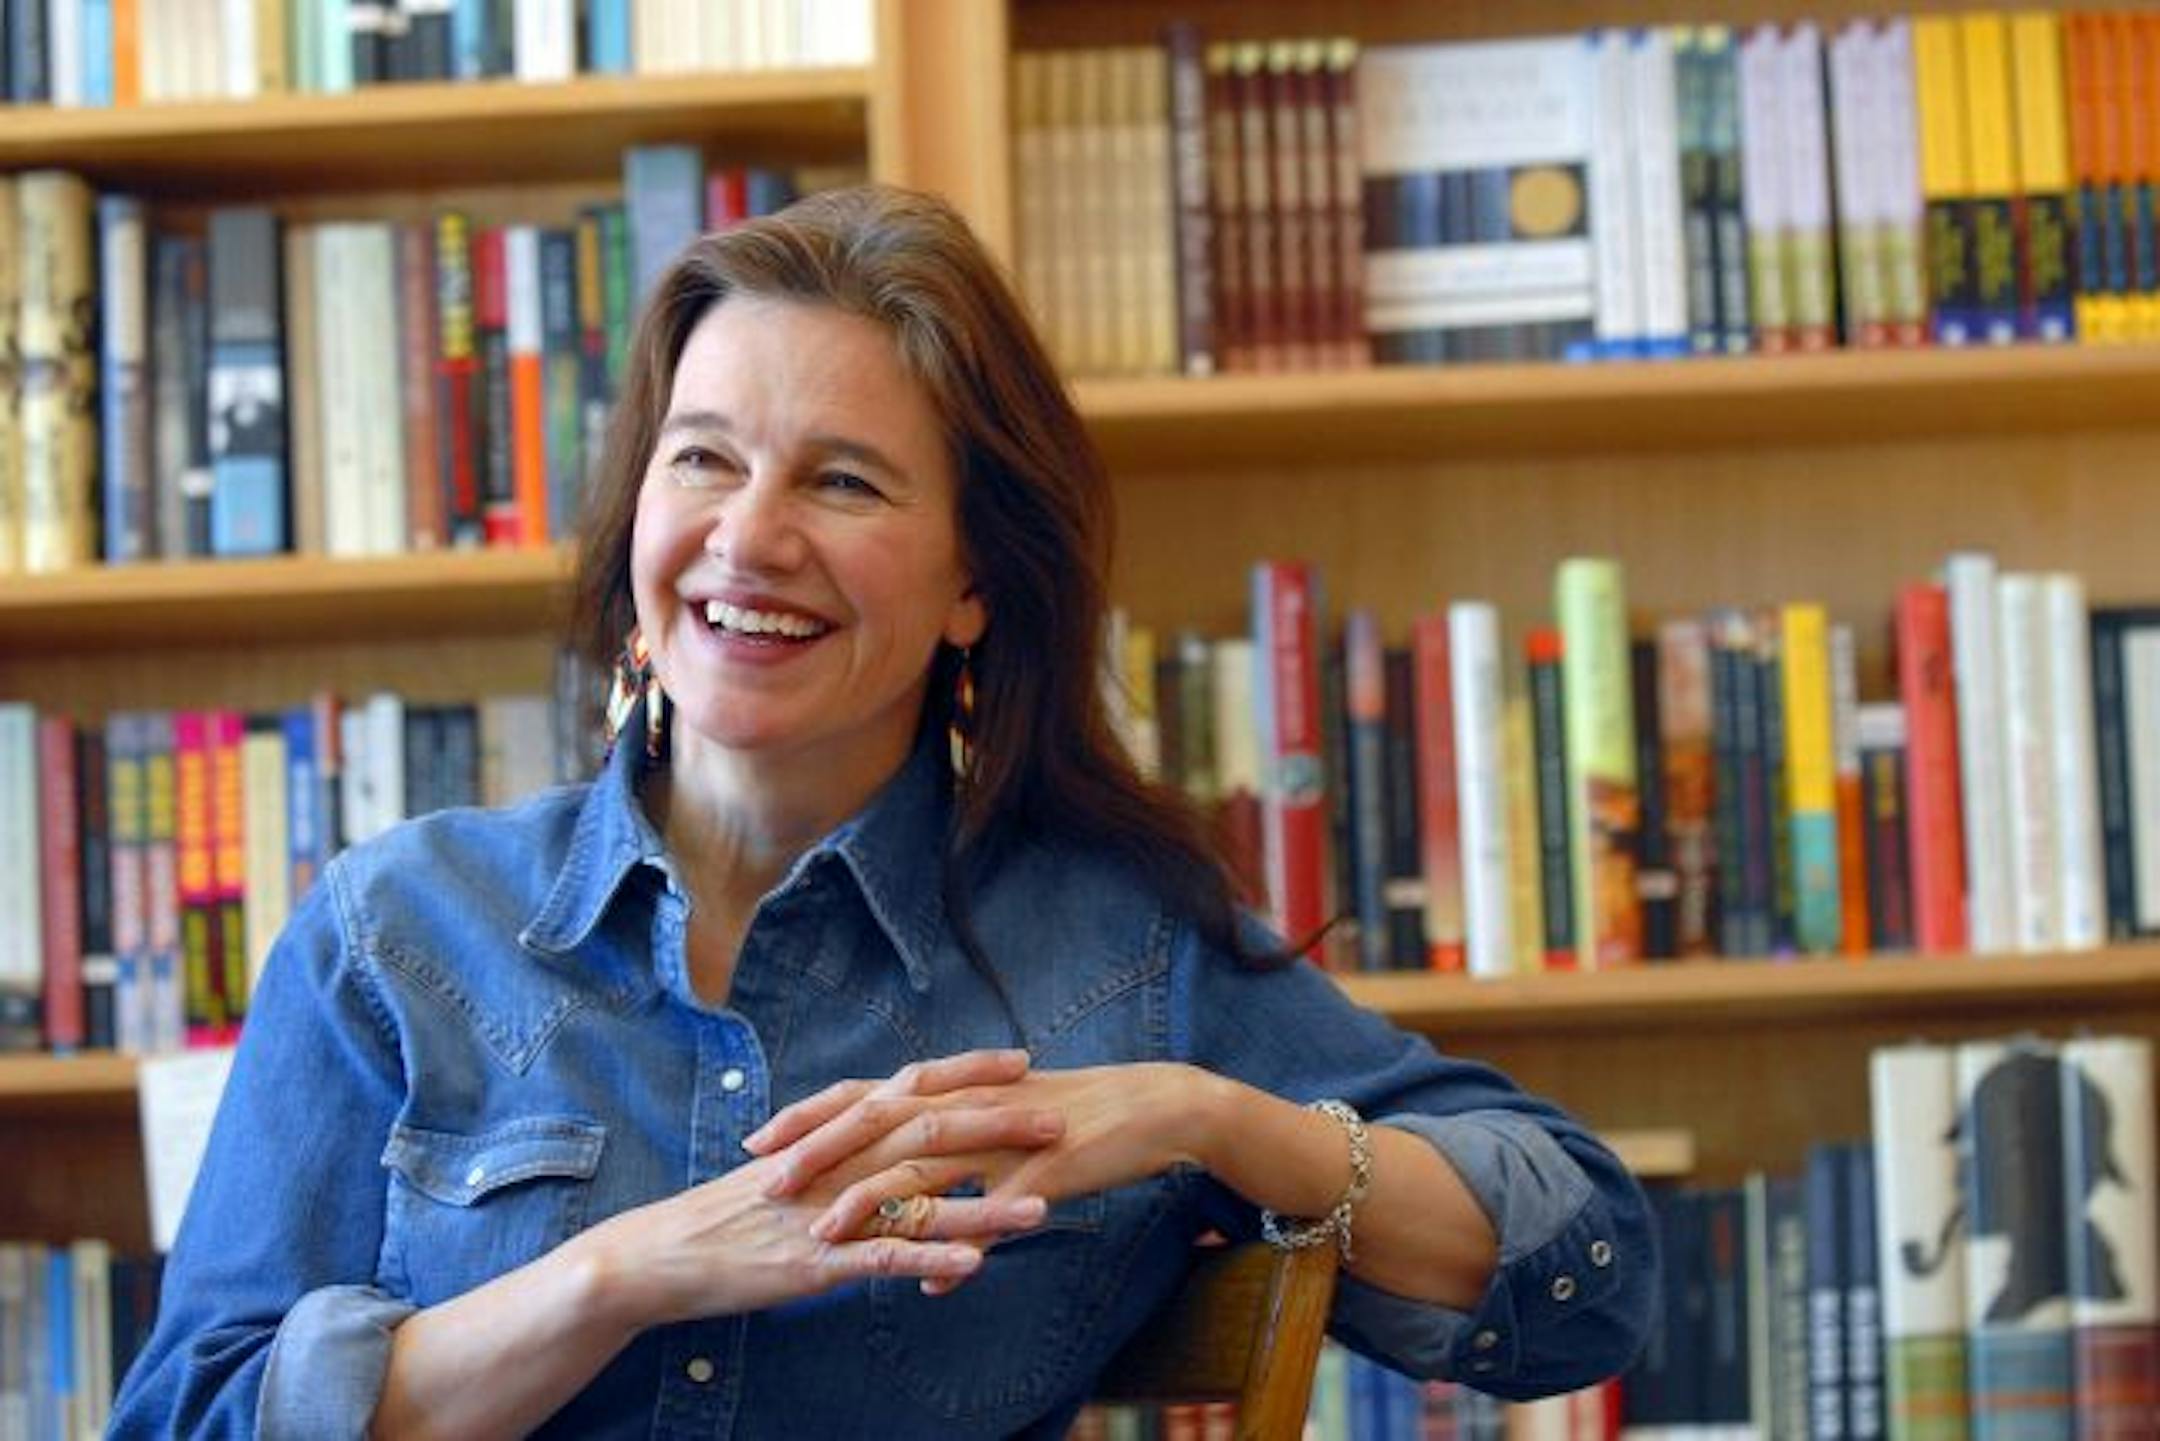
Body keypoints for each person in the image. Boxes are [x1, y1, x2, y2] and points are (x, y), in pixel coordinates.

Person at [110, 184, 1656, 1439]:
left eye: (844, 483)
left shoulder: (1117, 959)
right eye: (703, 457)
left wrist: (1213, 1115)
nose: (749, 535)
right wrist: (617, 1276)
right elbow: (189, 1418)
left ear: (976, 582)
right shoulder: (396, 934)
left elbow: (1589, 1279)